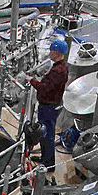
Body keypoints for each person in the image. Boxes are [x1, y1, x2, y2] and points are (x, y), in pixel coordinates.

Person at [28, 37, 70, 173]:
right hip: (51, 104)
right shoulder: (61, 67)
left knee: (47, 134)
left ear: (57, 53)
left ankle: (48, 164)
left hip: (48, 107)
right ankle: (45, 158)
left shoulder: (58, 71)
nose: (50, 53)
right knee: (46, 134)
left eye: (52, 51)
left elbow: (45, 88)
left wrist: (31, 80)